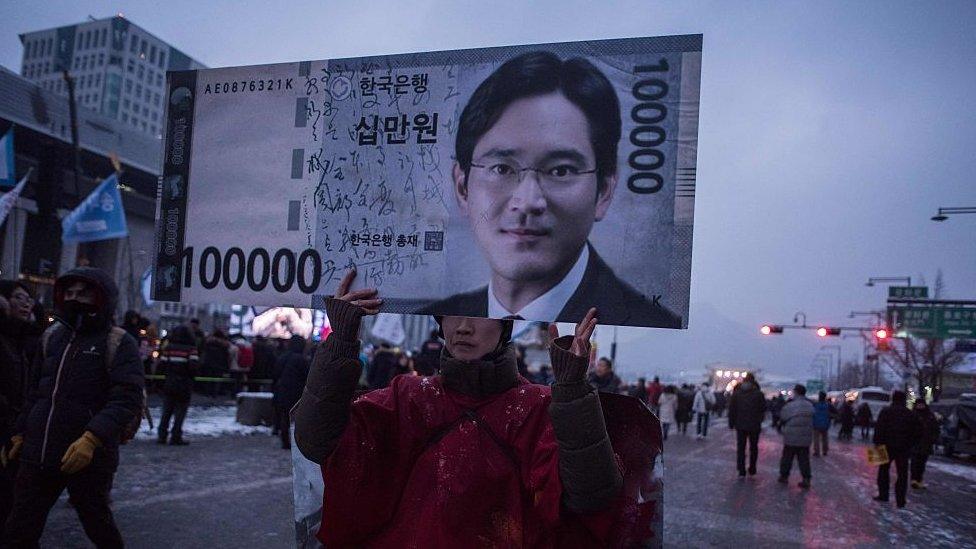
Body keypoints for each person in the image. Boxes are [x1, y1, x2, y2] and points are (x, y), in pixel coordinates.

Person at [293, 269, 629, 546]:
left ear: (506, 325)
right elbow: (317, 442)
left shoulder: (538, 408)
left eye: (478, 313)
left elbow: (591, 496)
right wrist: (340, 344)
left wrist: (572, 391)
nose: (462, 326)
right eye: (452, 313)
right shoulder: (408, 398)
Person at [416, 51, 682, 328]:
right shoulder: (442, 314)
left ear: (603, 190)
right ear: (462, 187)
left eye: (560, 171)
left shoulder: (647, 318)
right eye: (502, 169)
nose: (528, 202)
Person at [1, 267, 144, 547]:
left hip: (87, 459)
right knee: (18, 530)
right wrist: (20, 432)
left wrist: (91, 439)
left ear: (102, 297)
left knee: (99, 526)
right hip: (39, 454)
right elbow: (36, 393)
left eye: (84, 293)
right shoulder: (52, 337)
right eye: (70, 292)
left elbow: (127, 397)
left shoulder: (118, 341)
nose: (75, 298)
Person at [0, 281, 43, 526]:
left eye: (29, 299)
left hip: (18, 429)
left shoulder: (27, 339)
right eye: (18, 297)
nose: (26, 303)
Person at [873, 390, 920, 508]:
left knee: (883, 471)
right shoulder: (910, 414)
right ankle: (900, 500)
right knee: (902, 474)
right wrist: (911, 445)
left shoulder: (886, 411)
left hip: (885, 446)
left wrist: (877, 444)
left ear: (893, 399)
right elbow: (917, 432)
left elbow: (879, 429)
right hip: (904, 448)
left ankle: (883, 495)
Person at [156, 326, 199, 446]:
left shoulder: (169, 348)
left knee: (167, 410)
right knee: (180, 412)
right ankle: (176, 436)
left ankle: (162, 435)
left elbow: (162, 366)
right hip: (184, 385)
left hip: (169, 383)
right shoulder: (191, 349)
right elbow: (193, 368)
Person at [273, 336, 311, 450]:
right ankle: (297, 443)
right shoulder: (302, 360)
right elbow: (307, 377)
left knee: (284, 417)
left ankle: (285, 441)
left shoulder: (282, 357)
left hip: (282, 392)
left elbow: (275, 375)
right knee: (297, 419)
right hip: (297, 393)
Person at [728, 373, 765, 478]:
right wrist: (759, 419)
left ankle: (741, 470)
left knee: (741, 448)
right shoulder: (759, 394)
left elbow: (732, 410)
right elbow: (763, 408)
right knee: (753, 448)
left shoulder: (737, 394)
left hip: (740, 424)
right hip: (754, 425)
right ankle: (752, 468)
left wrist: (731, 423)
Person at [778, 384, 814, 488]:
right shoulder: (810, 405)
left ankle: (784, 476)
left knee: (787, 457)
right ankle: (806, 478)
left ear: (796, 392)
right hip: (805, 437)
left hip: (791, 436)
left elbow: (783, 416)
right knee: (804, 459)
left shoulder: (790, 405)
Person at [910, 400, 940, 490]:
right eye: (918, 404)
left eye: (921, 404)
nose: (920, 406)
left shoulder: (930, 416)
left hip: (926, 444)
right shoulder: (913, 415)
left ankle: (919, 480)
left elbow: (935, 429)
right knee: (915, 462)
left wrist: (933, 439)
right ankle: (914, 479)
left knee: (922, 463)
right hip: (915, 443)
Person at [201, 330, 231, 397]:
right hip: (219, 365)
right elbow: (226, 356)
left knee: (208, 379)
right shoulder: (224, 345)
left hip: (208, 363)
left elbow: (203, 352)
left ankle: (207, 393)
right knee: (217, 380)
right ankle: (215, 393)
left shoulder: (208, 342)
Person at [812, 391, 835, 457]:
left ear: (819, 397)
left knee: (816, 439)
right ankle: (825, 451)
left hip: (816, 423)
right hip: (825, 423)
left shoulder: (815, 404)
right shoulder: (828, 405)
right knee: (825, 438)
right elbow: (836, 412)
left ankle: (817, 452)